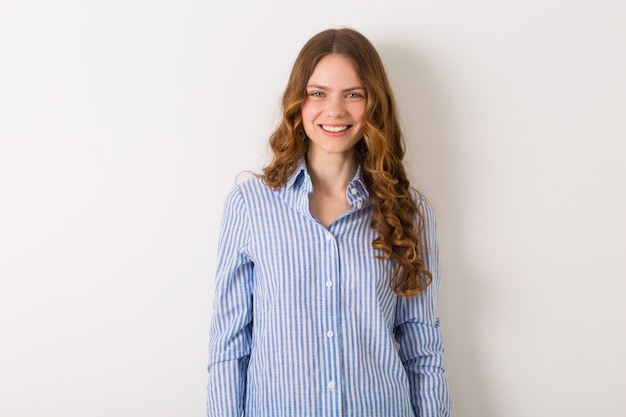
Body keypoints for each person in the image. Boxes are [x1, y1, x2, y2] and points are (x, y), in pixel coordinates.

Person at [207, 27, 451, 417]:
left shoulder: (409, 211)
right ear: (297, 103)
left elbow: (423, 350)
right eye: (317, 93)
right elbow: (229, 349)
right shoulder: (249, 206)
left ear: (374, 104)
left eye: (353, 94)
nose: (334, 111)